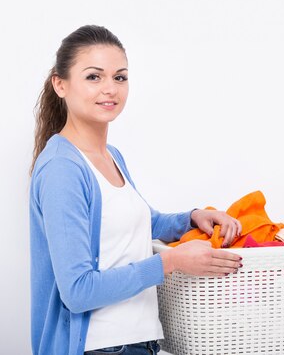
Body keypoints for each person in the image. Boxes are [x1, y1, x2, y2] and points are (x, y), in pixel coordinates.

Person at [30, 25, 243, 355]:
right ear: (60, 84)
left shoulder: (111, 156)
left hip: (138, 344)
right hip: (100, 349)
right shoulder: (63, 168)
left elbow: (136, 224)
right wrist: (170, 263)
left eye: (120, 77)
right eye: (93, 77)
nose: (110, 89)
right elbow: (77, 290)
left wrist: (192, 218)